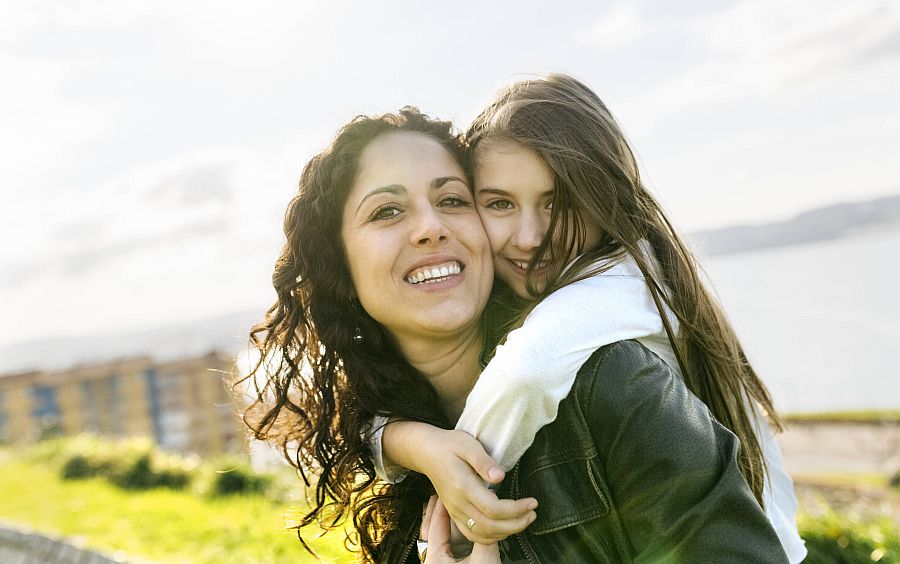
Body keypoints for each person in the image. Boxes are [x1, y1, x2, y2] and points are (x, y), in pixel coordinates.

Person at [241, 106, 789, 562]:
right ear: (339, 263)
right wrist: (404, 441)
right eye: (387, 211)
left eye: (453, 199)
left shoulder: (611, 381)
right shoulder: (386, 433)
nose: (431, 226)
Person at [373, 74, 806, 563]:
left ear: (607, 198)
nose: (530, 237)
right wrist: (407, 440)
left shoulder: (610, 293)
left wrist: (459, 512)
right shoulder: (570, 286)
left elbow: (527, 372)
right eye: (499, 203)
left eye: (559, 202)